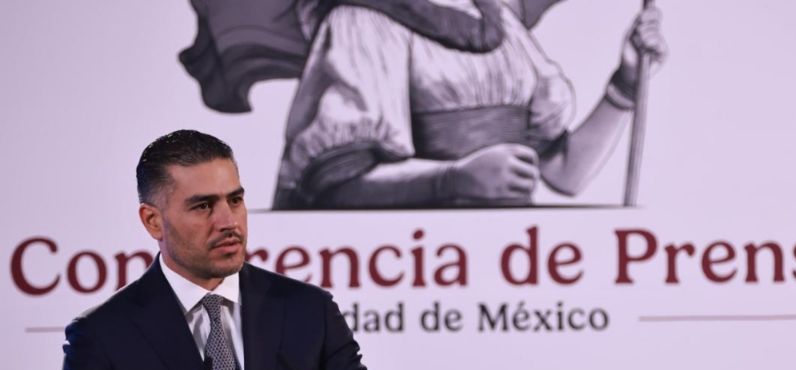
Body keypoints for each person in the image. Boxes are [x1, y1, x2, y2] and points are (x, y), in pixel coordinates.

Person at [53, 130, 395, 370]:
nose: (228, 221)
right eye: (203, 206)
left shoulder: (308, 311)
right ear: (153, 221)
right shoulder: (104, 335)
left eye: (235, 200)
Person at [176, 0, 667, 209]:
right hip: (412, 283)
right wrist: (455, 178)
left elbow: (563, 172)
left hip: (513, 275)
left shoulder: (499, 20)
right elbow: (332, 184)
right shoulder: (362, 21)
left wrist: (623, 85)